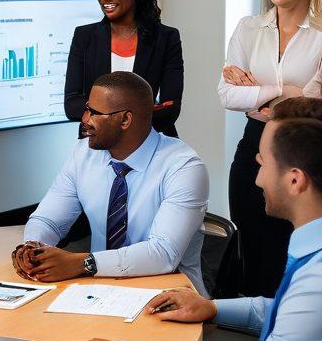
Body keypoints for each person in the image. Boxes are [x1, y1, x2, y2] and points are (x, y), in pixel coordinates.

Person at [57, 98, 322, 341]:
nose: (256, 177)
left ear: (295, 179)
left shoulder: (316, 283)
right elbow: (283, 312)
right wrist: (212, 308)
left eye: (262, 162)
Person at [13, 71, 208, 293]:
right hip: (98, 290)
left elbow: (163, 254)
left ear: (125, 119)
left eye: (94, 113)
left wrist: (82, 263)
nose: (85, 119)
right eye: (87, 108)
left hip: (171, 296)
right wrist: (32, 247)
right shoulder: (83, 154)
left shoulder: (184, 167)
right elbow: (48, 220)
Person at [219, 0, 322, 297]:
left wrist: (257, 90)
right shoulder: (249, 28)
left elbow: (314, 103)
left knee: (294, 251)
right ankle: (250, 336)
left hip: (307, 150)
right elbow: (227, 94)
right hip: (254, 147)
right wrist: (284, 92)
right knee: (253, 244)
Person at [64, 0, 183, 137]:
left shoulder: (166, 38)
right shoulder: (84, 37)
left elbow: (169, 109)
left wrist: (99, 112)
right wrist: (135, 112)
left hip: (152, 142)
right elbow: (72, 105)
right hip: (96, 142)